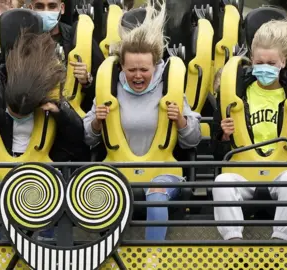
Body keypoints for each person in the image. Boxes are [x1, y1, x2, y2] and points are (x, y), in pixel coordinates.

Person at [83, 0, 202, 241]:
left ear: (155, 65)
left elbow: (193, 140)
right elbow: (87, 137)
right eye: (132, 70)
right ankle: (108, 256)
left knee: (156, 194)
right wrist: (97, 122)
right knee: (97, 191)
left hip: (162, 170)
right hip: (116, 168)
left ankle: (151, 260)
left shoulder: (171, 86)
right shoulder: (109, 87)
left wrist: (179, 120)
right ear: (122, 67)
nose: (138, 75)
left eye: (144, 70)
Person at [0, 31, 86, 240]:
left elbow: (78, 138)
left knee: (52, 193)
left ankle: (45, 244)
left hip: (41, 172)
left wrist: (61, 112)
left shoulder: (52, 95)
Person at [212, 19, 287, 241]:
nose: (265, 67)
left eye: (271, 63)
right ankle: (234, 243)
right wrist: (223, 135)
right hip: (244, 172)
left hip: (281, 172)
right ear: (252, 60)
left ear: (283, 62)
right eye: (260, 62)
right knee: (222, 183)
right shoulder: (234, 94)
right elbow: (217, 153)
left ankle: (280, 241)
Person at [0, 0, 105, 113]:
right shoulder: (21, 39)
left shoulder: (76, 38)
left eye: (52, 6)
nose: (46, 11)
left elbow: (102, 87)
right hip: (32, 115)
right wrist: (7, 24)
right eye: (39, 6)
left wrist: (87, 81)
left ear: (62, 8)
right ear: (31, 9)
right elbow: (2, 80)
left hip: (68, 115)